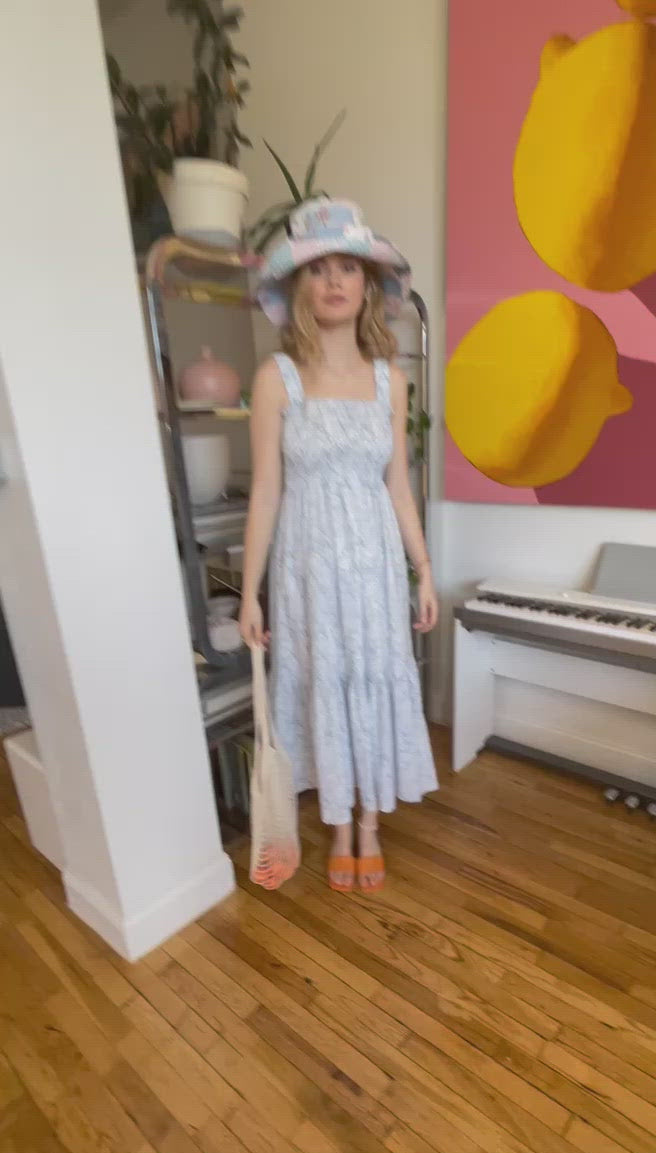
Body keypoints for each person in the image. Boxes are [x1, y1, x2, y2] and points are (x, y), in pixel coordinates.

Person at [240, 198, 438, 893]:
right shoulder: (277, 378)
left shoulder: (391, 381)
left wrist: (422, 569)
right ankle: (339, 824)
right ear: (300, 286)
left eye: (347, 268)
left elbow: (399, 486)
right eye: (318, 269)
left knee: (372, 678)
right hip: (308, 572)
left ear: (367, 285)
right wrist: (250, 593)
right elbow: (266, 491)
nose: (333, 281)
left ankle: (368, 824)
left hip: (374, 568)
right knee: (323, 681)